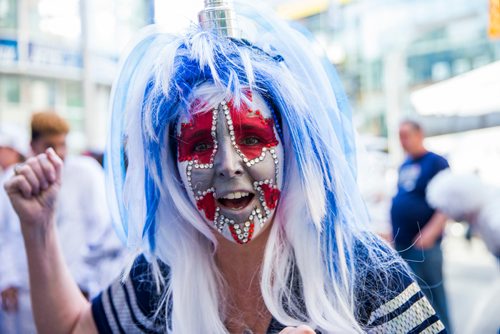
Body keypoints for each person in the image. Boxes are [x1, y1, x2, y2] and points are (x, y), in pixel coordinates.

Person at [4, 1, 446, 333]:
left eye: (252, 138)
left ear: (289, 146)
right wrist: (38, 230)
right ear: (173, 165)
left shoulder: (356, 269)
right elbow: (73, 329)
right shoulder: (160, 278)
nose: (227, 166)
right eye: (198, 144)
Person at [0, 111, 125, 333]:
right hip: (23, 290)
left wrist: (84, 281)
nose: (60, 153)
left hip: (72, 284)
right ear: (33, 145)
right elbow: (3, 234)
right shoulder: (14, 178)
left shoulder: (86, 173)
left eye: (63, 144)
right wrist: (6, 277)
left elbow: (101, 232)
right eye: (51, 145)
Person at [390, 119, 451, 330]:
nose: (403, 141)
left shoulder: (436, 162)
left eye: (406, 135)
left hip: (424, 244)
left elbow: (447, 203)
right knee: (414, 302)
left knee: (435, 299)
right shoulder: (405, 165)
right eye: (400, 136)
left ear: (419, 135)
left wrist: (431, 232)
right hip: (403, 244)